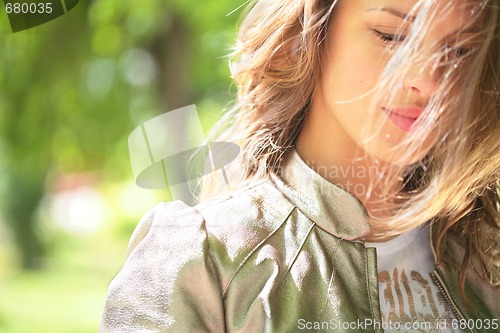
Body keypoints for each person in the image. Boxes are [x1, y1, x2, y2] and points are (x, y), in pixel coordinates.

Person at [100, 0, 499, 331]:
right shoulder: (200, 265)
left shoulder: (488, 252)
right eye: (391, 36)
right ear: (313, 30)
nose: (428, 80)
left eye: (460, 50)